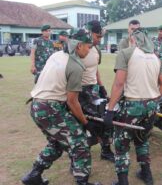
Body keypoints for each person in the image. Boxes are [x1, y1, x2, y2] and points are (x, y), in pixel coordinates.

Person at [22, 29, 102, 185]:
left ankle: (33, 176)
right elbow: (72, 101)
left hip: (36, 105)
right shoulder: (76, 65)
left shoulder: (56, 55)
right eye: (88, 46)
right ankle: (82, 182)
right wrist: (86, 123)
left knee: (57, 142)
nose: (90, 50)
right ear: (79, 46)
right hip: (51, 108)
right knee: (80, 143)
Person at [104, 29, 162, 185]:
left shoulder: (125, 53)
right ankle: (147, 175)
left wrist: (110, 109)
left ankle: (123, 181)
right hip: (151, 106)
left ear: (133, 39)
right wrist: (151, 100)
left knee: (121, 144)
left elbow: (119, 84)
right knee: (142, 139)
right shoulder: (155, 57)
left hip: (132, 105)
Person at [79, 20, 114, 162]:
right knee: (81, 123)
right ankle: (77, 158)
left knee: (103, 120)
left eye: (101, 37)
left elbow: (95, 69)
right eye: (97, 37)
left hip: (93, 89)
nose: (99, 40)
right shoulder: (79, 48)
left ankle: (105, 150)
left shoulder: (96, 50)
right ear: (89, 33)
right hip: (79, 91)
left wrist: (101, 87)